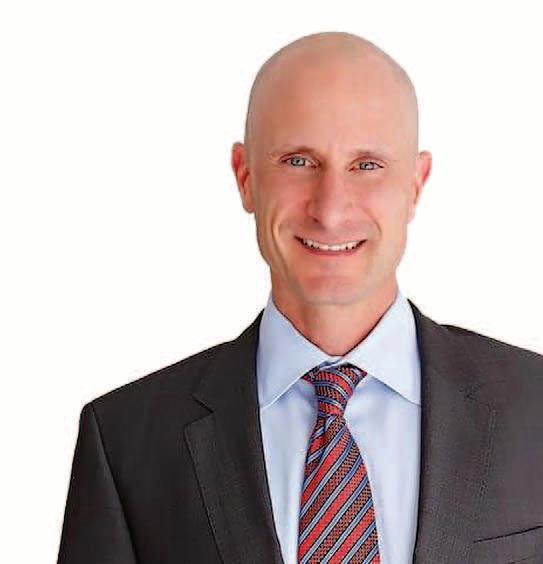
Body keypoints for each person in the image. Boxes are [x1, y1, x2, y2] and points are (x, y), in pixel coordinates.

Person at [57, 31, 543, 564]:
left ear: (415, 184)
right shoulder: (126, 444)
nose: (330, 209)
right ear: (245, 177)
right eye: (297, 161)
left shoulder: (534, 408)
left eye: (367, 165)